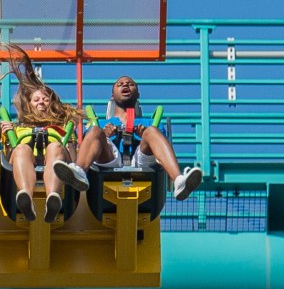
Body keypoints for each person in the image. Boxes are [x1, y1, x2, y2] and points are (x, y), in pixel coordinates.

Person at [53, 75, 203, 200]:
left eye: (130, 84)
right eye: (120, 84)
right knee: (95, 132)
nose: (125, 84)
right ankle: (79, 171)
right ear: (112, 96)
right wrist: (105, 135)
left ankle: (178, 180)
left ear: (138, 94)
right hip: (109, 160)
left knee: (151, 131)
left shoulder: (149, 123)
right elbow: (88, 144)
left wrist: (144, 136)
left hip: (141, 162)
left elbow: (160, 148)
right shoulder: (101, 124)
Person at [0, 45, 82, 223]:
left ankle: (53, 197)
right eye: (36, 99)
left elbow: (73, 159)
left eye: (45, 99)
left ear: (52, 103)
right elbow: (7, 159)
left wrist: (69, 140)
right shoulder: (17, 128)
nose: (41, 102)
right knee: (21, 149)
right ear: (29, 104)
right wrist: (6, 136)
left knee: (55, 146)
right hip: (24, 161)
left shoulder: (63, 127)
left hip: (55, 159)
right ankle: (25, 197)